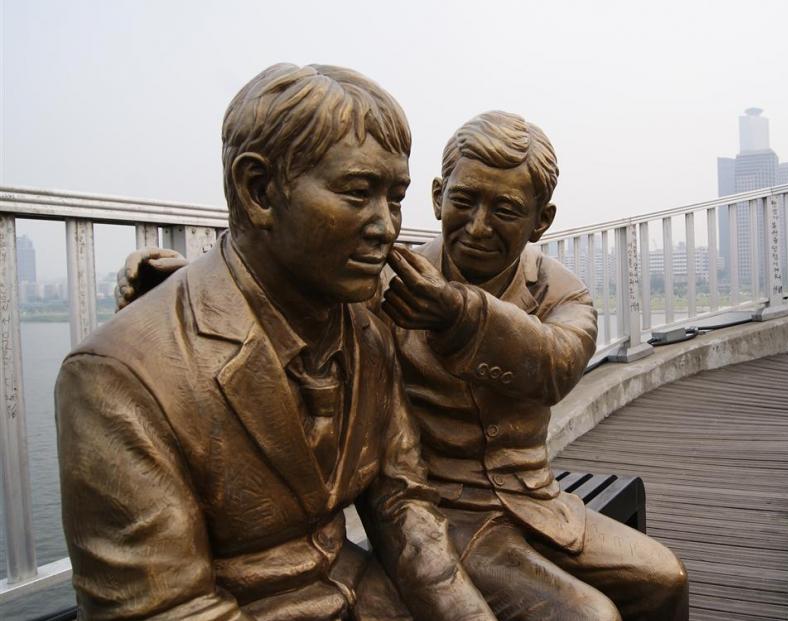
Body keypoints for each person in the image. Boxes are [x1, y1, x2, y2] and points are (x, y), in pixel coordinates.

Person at [117, 111, 689, 620]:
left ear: (541, 221)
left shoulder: (560, 293)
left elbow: (556, 365)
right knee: (588, 616)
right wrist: (184, 280)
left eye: (506, 210)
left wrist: (459, 315)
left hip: (540, 502)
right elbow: (292, 274)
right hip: (444, 515)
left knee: (665, 580)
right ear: (439, 196)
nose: (479, 225)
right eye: (464, 201)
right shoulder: (386, 279)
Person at [56, 63, 496, 621]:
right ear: (258, 189)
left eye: (395, 197)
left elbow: (402, 503)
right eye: (358, 191)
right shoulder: (118, 375)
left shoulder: (366, 322)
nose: (387, 225)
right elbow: (168, 609)